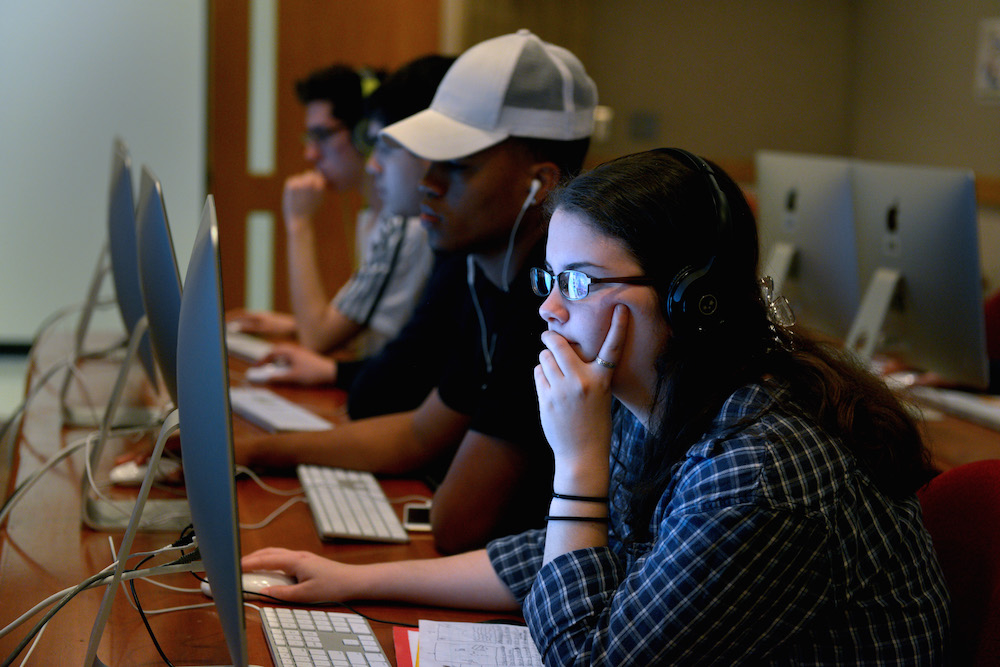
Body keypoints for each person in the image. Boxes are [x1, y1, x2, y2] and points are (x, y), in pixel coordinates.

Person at [242, 149, 950, 664]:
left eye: (579, 282)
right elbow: (567, 555)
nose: (548, 307)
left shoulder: (759, 473)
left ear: (686, 302)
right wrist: (352, 580)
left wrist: (577, 462)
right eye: (550, 275)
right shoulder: (670, 400)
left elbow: (591, 659)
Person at [237, 30, 597, 555]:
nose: (428, 182)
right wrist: (252, 451)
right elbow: (418, 435)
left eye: (457, 166)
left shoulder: (550, 307)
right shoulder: (487, 273)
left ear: (537, 184)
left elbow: (456, 524)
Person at [250, 56, 459, 402]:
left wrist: (298, 224)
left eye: (322, 135)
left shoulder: (408, 225)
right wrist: (289, 323)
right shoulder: (372, 218)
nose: (310, 153)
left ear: (365, 135)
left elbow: (318, 337)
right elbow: (360, 324)